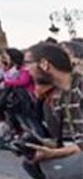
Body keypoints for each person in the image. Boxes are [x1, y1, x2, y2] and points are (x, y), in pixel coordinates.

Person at [21, 42, 83, 179]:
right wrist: (43, 144)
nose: (25, 69)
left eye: (28, 63)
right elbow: (71, 139)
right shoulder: (61, 95)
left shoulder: (79, 88)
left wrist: (52, 153)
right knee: (31, 163)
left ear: (44, 64)